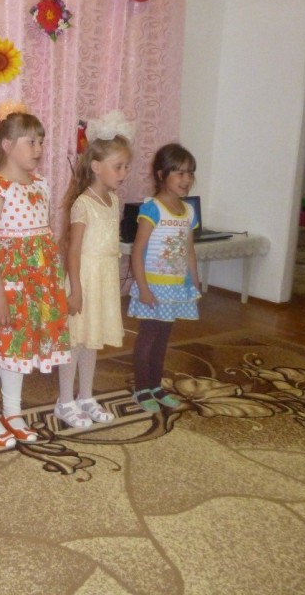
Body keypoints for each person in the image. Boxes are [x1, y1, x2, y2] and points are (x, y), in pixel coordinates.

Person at [0, 103, 71, 448]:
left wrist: (52, 284)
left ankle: (13, 411)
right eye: (30, 142)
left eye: (41, 141)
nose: (38, 149)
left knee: (19, 348)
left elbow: (43, 239)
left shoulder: (41, 184)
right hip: (2, 283)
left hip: (35, 285)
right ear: (7, 145)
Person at [55, 112, 134, 429]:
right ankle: (65, 401)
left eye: (126, 167)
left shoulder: (113, 201)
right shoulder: (83, 204)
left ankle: (86, 396)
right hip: (83, 281)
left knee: (92, 340)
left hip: (103, 281)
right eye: (119, 166)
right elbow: (73, 250)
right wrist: (75, 290)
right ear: (96, 166)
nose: (124, 173)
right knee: (75, 341)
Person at [127, 143, 201, 413]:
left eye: (190, 173)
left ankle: (156, 387)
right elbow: (137, 252)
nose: (186, 179)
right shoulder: (153, 209)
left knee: (162, 339)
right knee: (148, 338)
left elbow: (189, 250)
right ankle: (141, 389)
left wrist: (194, 282)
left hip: (175, 287)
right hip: (154, 287)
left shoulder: (188, 211)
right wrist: (143, 288)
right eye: (179, 173)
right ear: (161, 175)